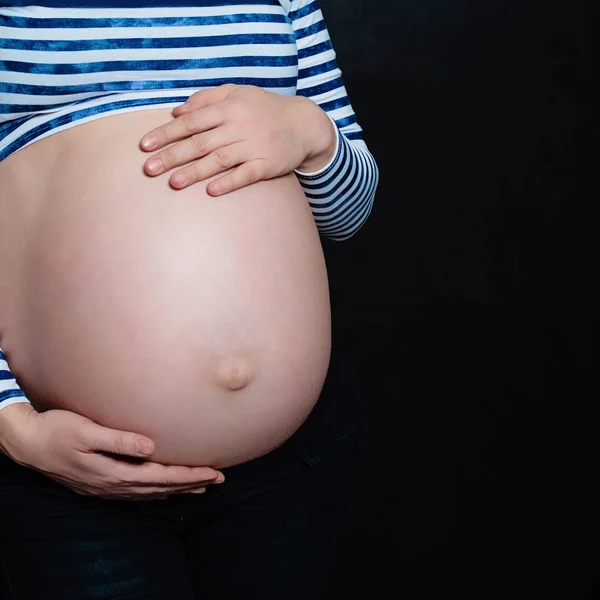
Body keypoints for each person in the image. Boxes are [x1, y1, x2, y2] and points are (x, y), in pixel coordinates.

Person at [0, 1, 379, 598]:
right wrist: (9, 426)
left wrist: (313, 134)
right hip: (67, 477)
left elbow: (348, 215)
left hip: (289, 473)